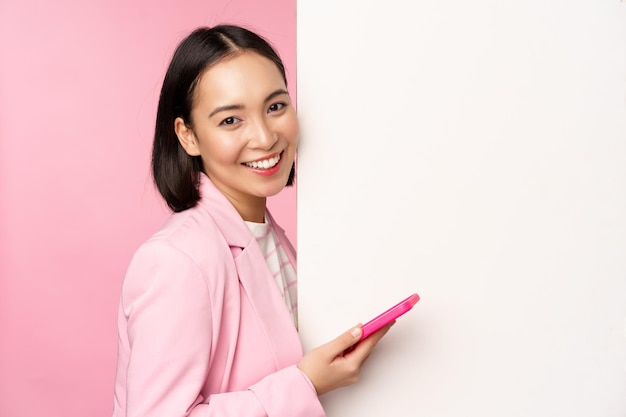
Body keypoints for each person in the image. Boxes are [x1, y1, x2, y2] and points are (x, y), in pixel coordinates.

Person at [112, 24, 392, 417]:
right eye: (231, 120)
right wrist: (305, 383)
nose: (264, 137)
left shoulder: (269, 237)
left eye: (275, 106)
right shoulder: (178, 260)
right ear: (187, 136)